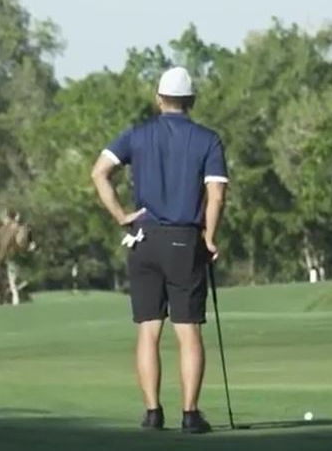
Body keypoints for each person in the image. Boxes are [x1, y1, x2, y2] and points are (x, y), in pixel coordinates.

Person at [90, 67, 228, 433]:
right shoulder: (207, 140)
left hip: (143, 238)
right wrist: (210, 237)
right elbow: (216, 194)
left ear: (159, 98)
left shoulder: (137, 134)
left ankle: (153, 413)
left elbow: (99, 172)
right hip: (184, 240)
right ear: (192, 101)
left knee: (148, 331)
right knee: (188, 332)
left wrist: (121, 215)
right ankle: (190, 414)